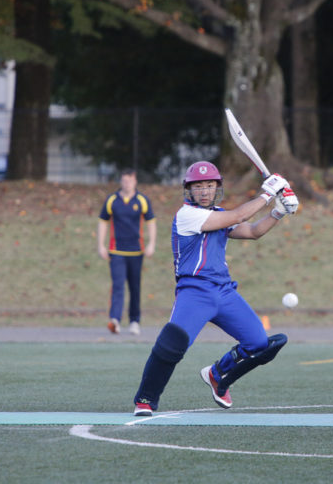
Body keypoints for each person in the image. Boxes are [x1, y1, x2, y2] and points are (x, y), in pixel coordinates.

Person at [132, 161, 299, 416]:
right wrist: (267, 194)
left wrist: (278, 212)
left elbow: (252, 231)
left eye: (209, 185)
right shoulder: (187, 215)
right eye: (198, 186)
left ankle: (217, 372)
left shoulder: (219, 214)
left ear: (216, 188)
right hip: (194, 291)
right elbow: (238, 216)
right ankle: (145, 399)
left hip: (224, 291)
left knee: (259, 344)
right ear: (189, 190)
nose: (204, 191)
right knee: (172, 345)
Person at [97, 169, 157, 336]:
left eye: (129, 181)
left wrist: (152, 243)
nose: (127, 184)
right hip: (116, 251)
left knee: (135, 287)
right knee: (117, 286)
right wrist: (101, 245)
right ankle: (115, 320)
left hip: (136, 251)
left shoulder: (142, 200)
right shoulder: (112, 200)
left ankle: (134, 321)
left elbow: (151, 221)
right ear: (121, 182)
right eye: (124, 181)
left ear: (135, 181)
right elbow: (103, 221)